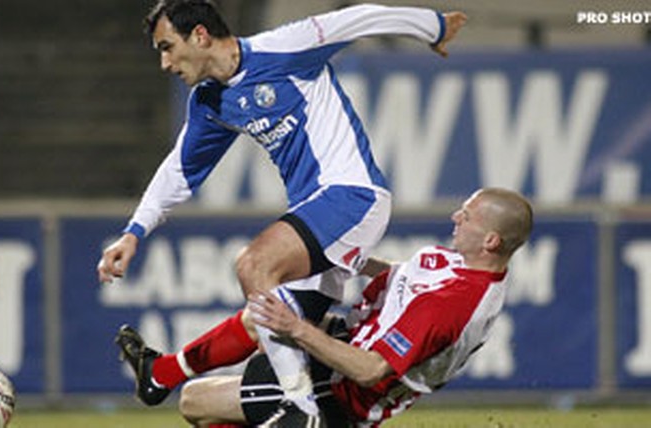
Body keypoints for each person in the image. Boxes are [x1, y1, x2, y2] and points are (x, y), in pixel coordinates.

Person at [99, 0, 467, 423]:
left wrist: (431, 26)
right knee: (262, 327)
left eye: (167, 47)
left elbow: (355, 18)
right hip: (323, 212)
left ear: (200, 36)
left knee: (254, 265)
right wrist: (134, 232)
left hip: (352, 196)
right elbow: (179, 171)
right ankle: (162, 375)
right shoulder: (210, 101)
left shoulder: (284, 47)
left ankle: (298, 406)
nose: (165, 63)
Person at [170, 188, 534, 427]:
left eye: (467, 216)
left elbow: (372, 370)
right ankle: (161, 371)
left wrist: (297, 329)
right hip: (341, 347)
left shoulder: (450, 306)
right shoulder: (461, 265)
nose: (456, 216)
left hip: (344, 396)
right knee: (258, 320)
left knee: (196, 402)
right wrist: (351, 258)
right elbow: (402, 274)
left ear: (491, 240)